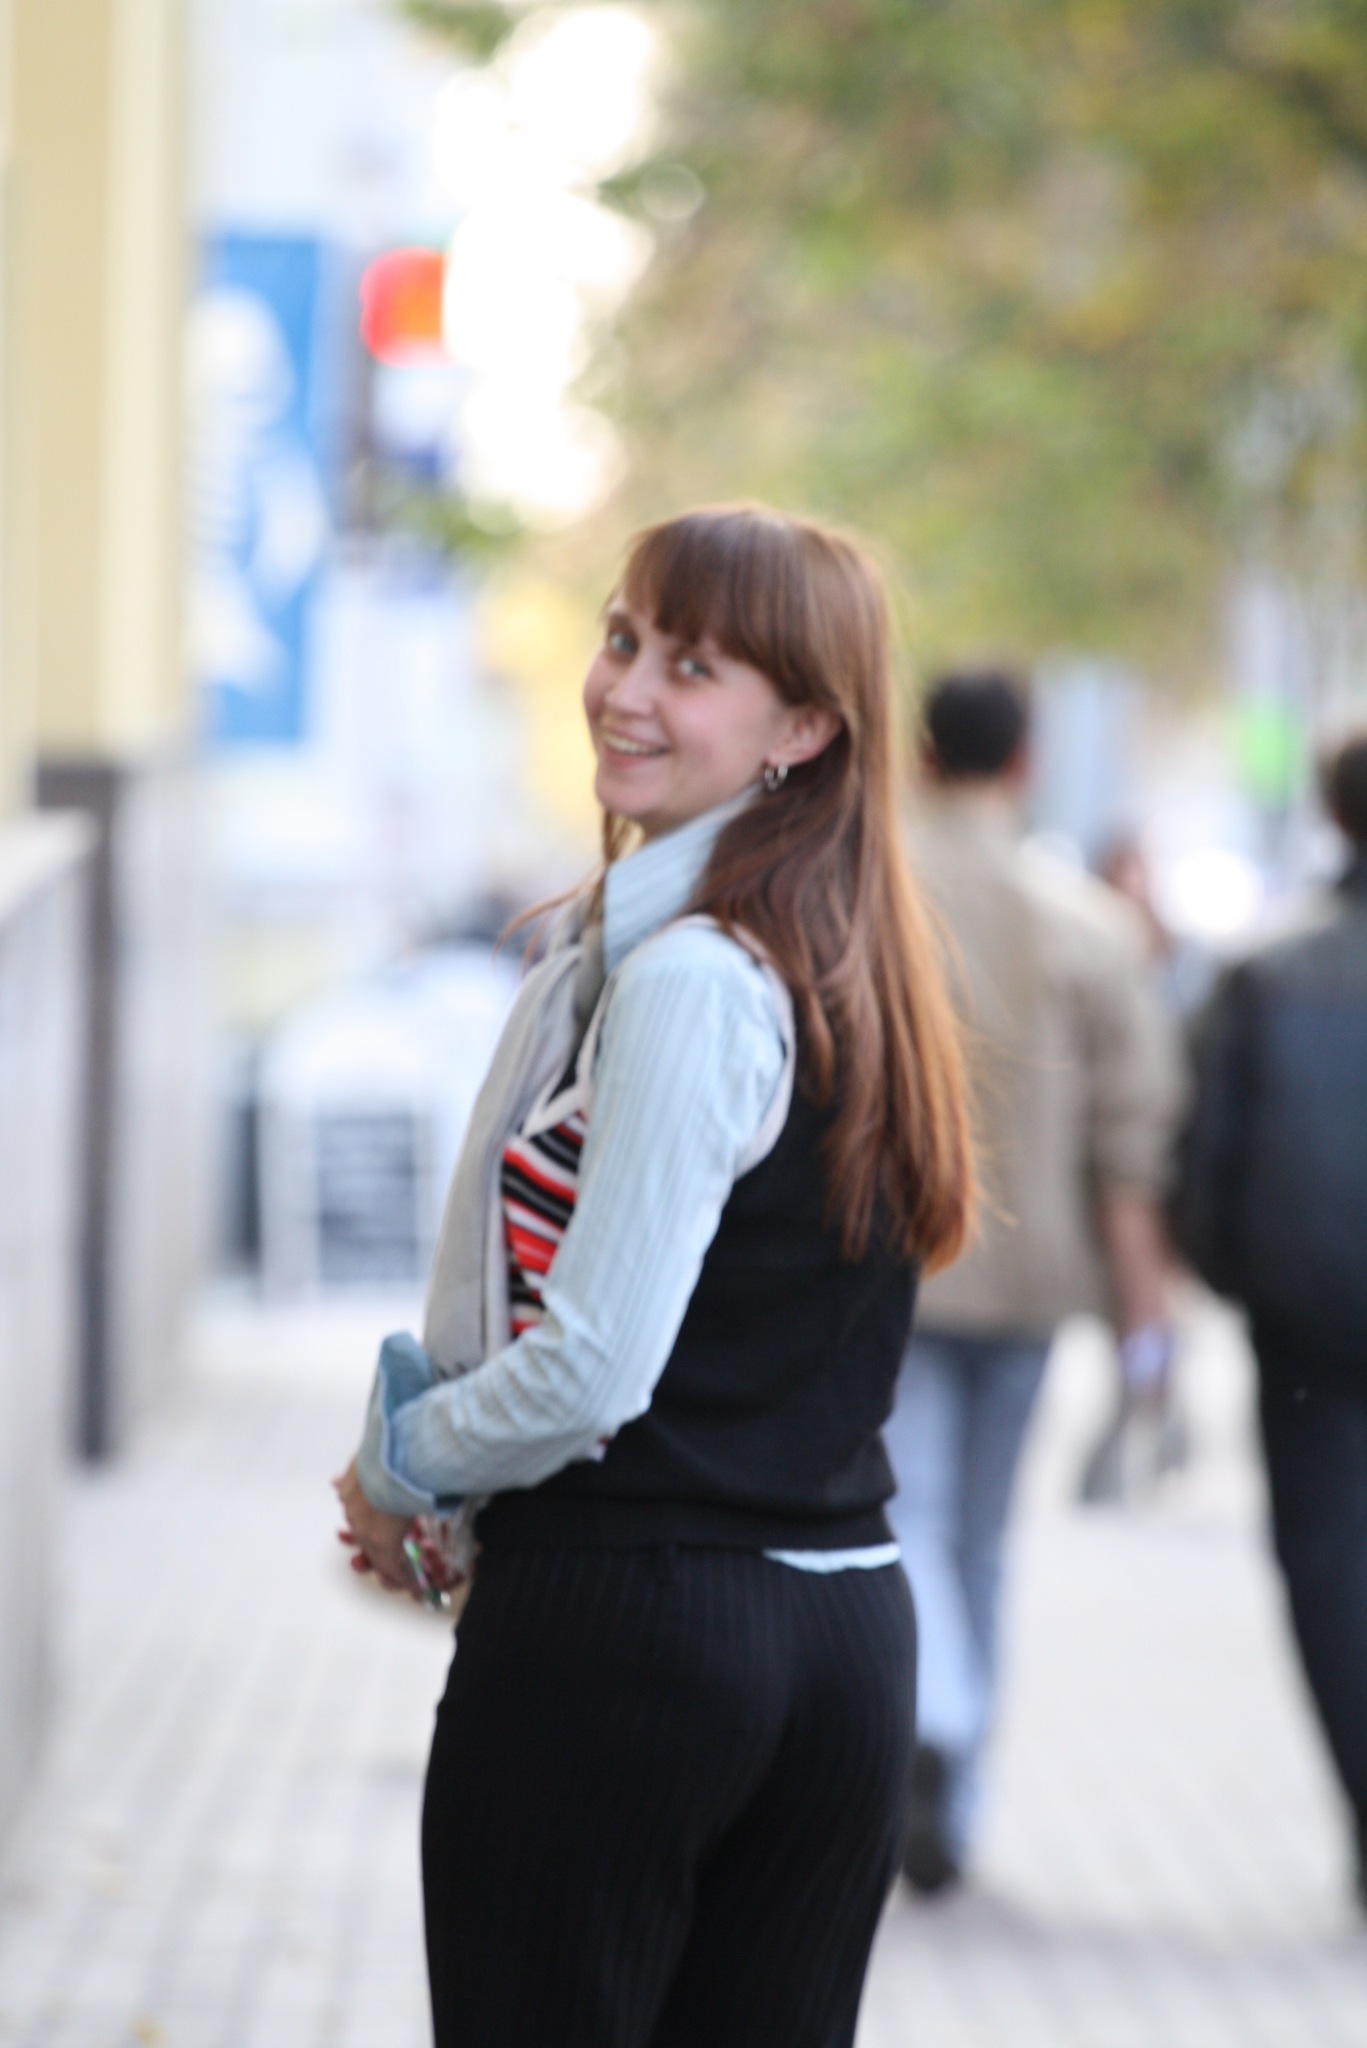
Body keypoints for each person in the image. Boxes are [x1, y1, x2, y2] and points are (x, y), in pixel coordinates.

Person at [333, 506, 974, 2047]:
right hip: (838, 1640)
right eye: (621, 639)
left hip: (631, 1638)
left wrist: (399, 1460)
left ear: (802, 729)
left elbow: (589, 1370)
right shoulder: (845, 965)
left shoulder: (691, 975)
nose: (623, 690)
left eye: (689, 667)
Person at [886, 669, 1179, 1893]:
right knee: (982, 1538)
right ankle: (960, 1784)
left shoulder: (875, 895)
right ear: (1022, 761)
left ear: (918, 756)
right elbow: (1130, 1145)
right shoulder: (1090, 927)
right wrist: (1143, 1326)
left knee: (905, 1513)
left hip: (898, 1270)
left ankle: (935, 1715)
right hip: (1032, 1281)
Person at [1171, 728, 1367, 1912]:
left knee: (1328, 1567)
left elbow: (1201, 1153)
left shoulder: (1265, 972)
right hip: (1298, 1316)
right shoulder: (1263, 972)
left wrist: (1230, 1271)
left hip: (1303, 1324)